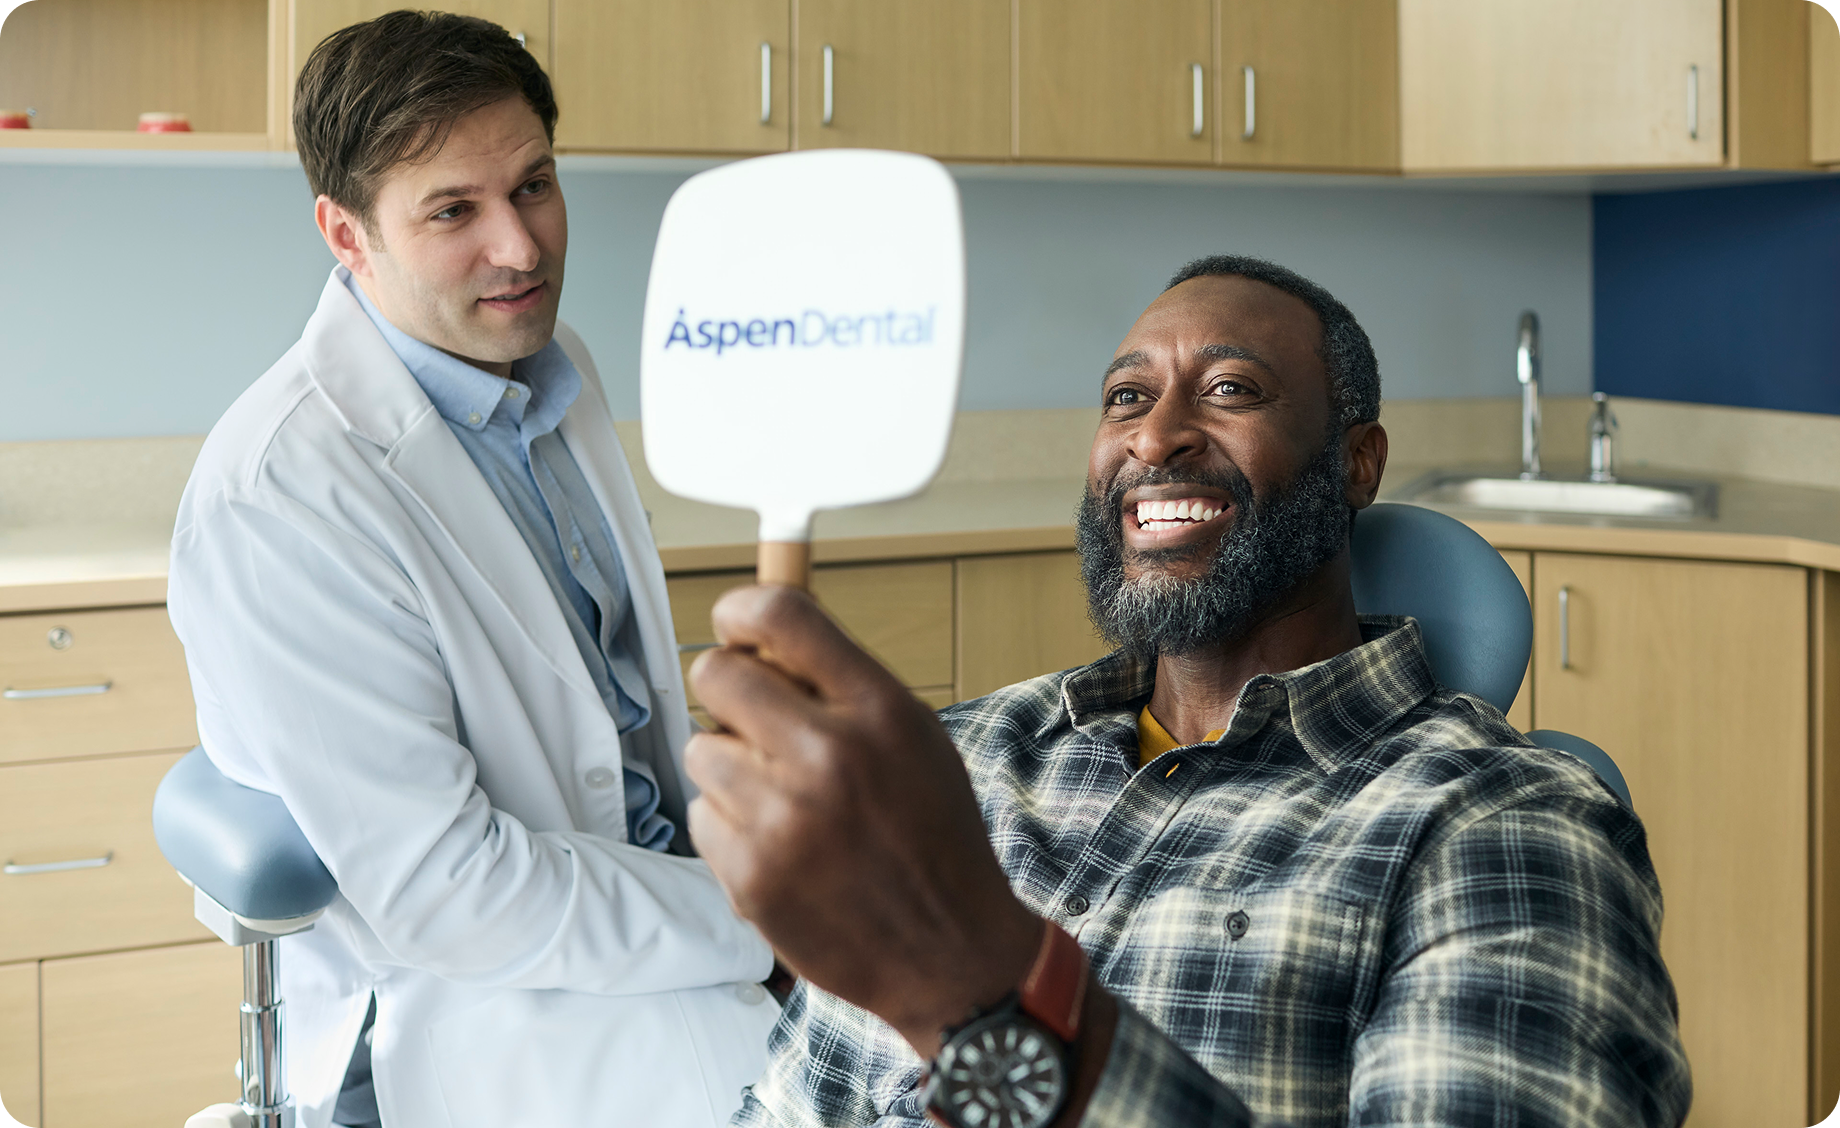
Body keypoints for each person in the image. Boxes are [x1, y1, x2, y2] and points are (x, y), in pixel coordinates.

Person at [684, 256, 1693, 1128]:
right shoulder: (956, 760)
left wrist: (978, 990)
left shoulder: (1499, 828)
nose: (1155, 436)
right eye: (1126, 397)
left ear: (1356, 462)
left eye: (1232, 390)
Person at [166, 13, 776, 1128]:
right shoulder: (283, 492)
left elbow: (605, 697)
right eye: (454, 210)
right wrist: (762, 921)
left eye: (534, 185)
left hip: (658, 903)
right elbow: (451, 897)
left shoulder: (553, 364)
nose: (523, 247)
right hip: (469, 1005)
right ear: (346, 235)